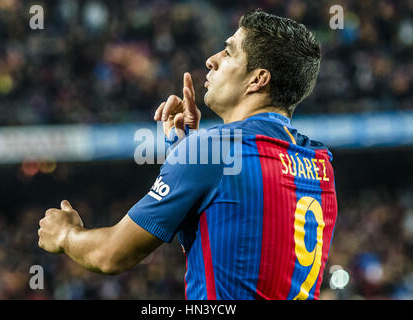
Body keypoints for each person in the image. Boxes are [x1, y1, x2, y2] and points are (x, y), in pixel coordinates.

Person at [38, 9, 338, 300]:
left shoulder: (212, 151)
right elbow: (243, 219)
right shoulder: (320, 163)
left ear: (257, 79)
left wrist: (65, 235)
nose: (211, 60)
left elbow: (110, 256)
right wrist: (186, 148)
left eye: (229, 52)